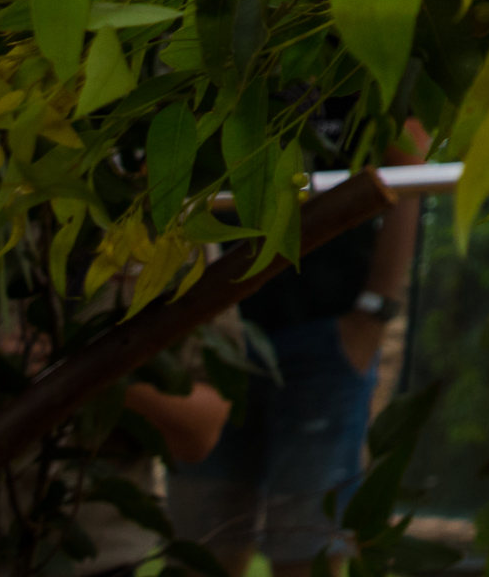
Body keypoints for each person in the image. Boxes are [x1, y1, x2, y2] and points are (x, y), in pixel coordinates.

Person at [167, 169, 422, 576]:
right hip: (214, 324)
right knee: (202, 540)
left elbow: (409, 166)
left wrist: (375, 309)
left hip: (326, 326)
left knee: (308, 542)